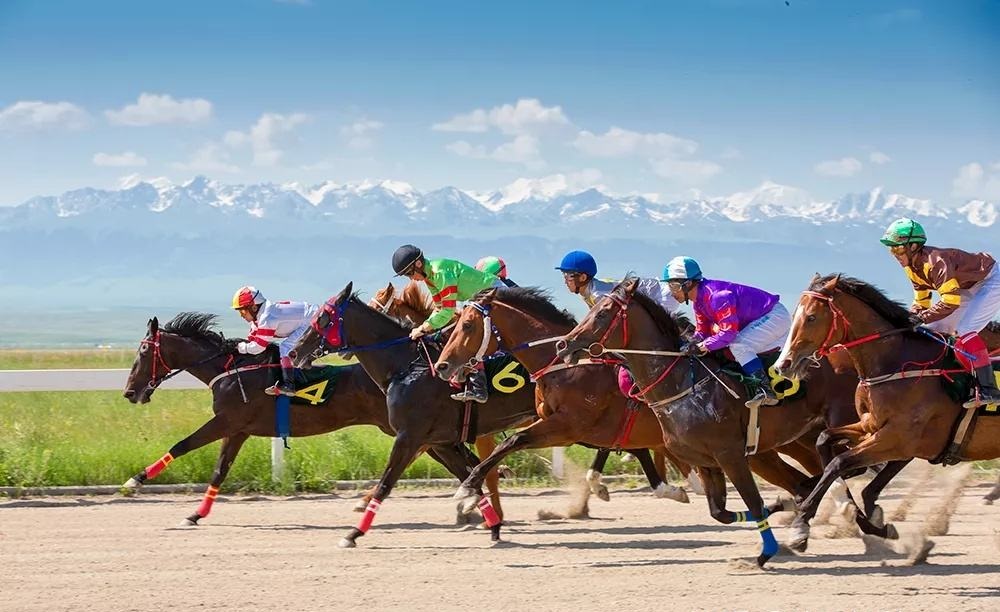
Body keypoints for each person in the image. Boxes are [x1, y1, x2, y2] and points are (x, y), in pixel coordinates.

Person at [880, 218, 1000, 407]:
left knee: (965, 330)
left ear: (913, 246)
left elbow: (950, 302)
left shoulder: (936, 262)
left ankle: (989, 389)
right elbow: (922, 301)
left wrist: (920, 317)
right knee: (933, 329)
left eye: (898, 248)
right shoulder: (910, 267)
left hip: (991, 281)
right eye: (891, 249)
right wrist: (907, 320)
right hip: (966, 287)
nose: (894, 254)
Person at [662, 256, 790, 409]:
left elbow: (728, 334)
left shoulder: (718, 297)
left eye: (674, 286)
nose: (672, 292)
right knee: (729, 350)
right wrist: (688, 345)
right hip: (759, 320)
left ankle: (765, 390)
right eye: (670, 286)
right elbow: (702, 333)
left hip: (774, 315)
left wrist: (701, 347)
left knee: (738, 345)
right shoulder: (699, 303)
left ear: (688, 283)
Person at [391, 245, 504, 403]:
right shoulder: (430, 279)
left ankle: (479, 387)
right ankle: (476, 384)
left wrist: (423, 328)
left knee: (466, 335)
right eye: (406, 276)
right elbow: (439, 309)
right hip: (479, 300)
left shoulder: (440, 273)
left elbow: (448, 311)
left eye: (409, 273)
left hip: (494, 294)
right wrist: (426, 328)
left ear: (418, 264)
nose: (411, 279)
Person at [231, 286, 318, 397]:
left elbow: (259, 347)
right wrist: (238, 347)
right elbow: (251, 340)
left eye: (242, 311)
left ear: (253, 307)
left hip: (313, 320)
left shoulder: (267, 318)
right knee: (285, 347)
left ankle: (289, 385)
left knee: (285, 347)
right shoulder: (258, 317)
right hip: (307, 318)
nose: (241, 315)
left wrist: (240, 347)